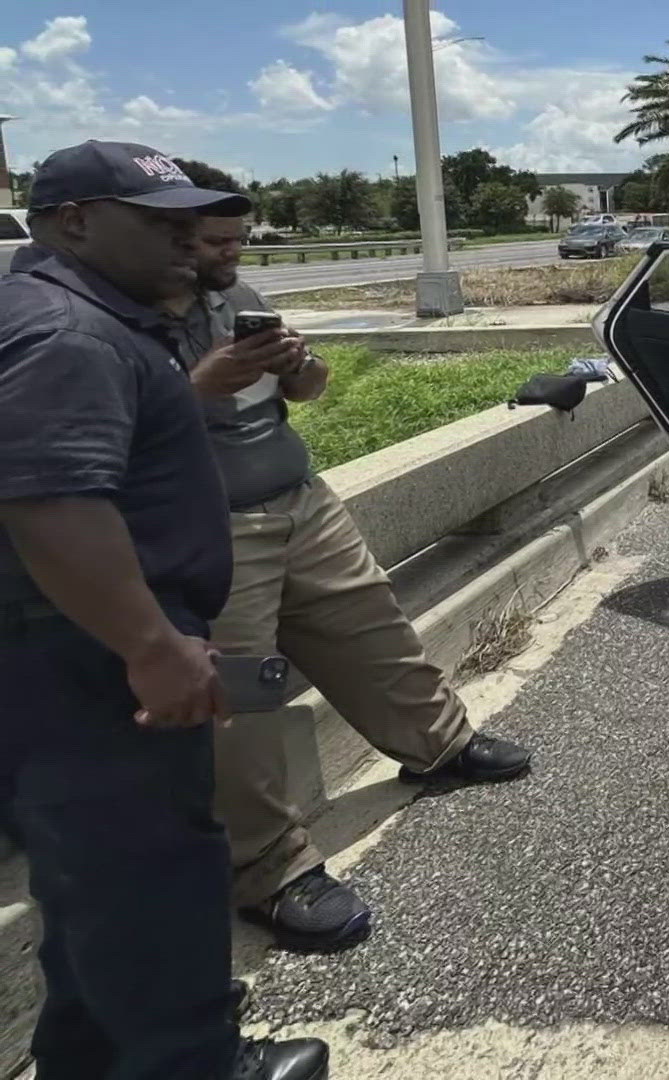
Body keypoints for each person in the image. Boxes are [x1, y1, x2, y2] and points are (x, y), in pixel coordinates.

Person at [0, 141, 327, 1079]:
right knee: (148, 878)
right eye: (161, 221)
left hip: (77, 657)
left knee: (96, 895)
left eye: (194, 220)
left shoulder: (90, 317)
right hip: (86, 669)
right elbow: (53, 501)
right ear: (73, 221)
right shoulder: (69, 334)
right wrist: (150, 645)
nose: (189, 240)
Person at [164, 213, 535, 954]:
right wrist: (199, 387)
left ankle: (438, 746)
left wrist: (298, 367)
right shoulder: (98, 320)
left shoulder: (235, 295)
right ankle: (270, 872)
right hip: (210, 525)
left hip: (299, 496)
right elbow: (110, 432)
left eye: (236, 238)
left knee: (372, 625)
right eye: (212, 240)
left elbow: (311, 391)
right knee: (239, 698)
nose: (230, 253)